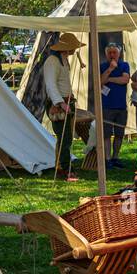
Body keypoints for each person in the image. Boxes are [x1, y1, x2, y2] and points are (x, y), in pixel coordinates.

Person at [43, 33, 83, 180]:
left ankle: (64, 166)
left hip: (67, 101)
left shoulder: (64, 60)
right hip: (58, 104)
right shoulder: (52, 61)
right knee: (64, 137)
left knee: (66, 138)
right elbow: (51, 85)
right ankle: (63, 169)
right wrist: (61, 103)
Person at [99, 43, 131, 168]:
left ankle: (115, 157)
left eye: (114, 53)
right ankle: (107, 159)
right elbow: (100, 81)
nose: (112, 55)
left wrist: (110, 79)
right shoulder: (102, 66)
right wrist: (110, 70)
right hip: (107, 106)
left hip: (121, 106)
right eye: (110, 53)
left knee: (119, 134)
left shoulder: (124, 65)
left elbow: (125, 80)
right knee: (106, 134)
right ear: (106, 54)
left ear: (119, 53)